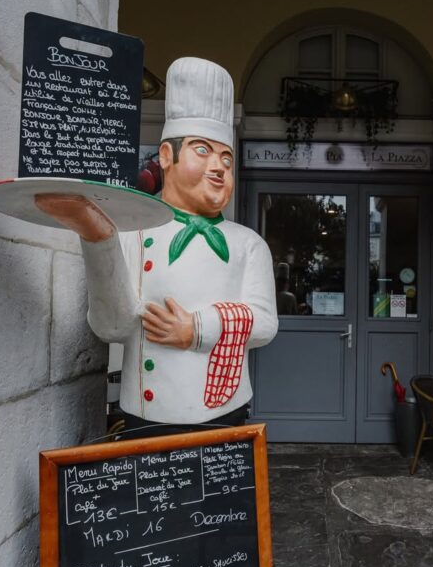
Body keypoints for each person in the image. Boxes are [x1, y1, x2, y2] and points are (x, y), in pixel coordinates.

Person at [35, 57, 278, 434]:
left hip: (225, 412)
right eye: (203, 151)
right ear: (166, 156)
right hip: (146, 415)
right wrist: (96, 237)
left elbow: (265, 324)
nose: (219, 167)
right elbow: (111, 327)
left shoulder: (249, 245)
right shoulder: (133, 233)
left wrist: (198, 328)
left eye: (226, 159)